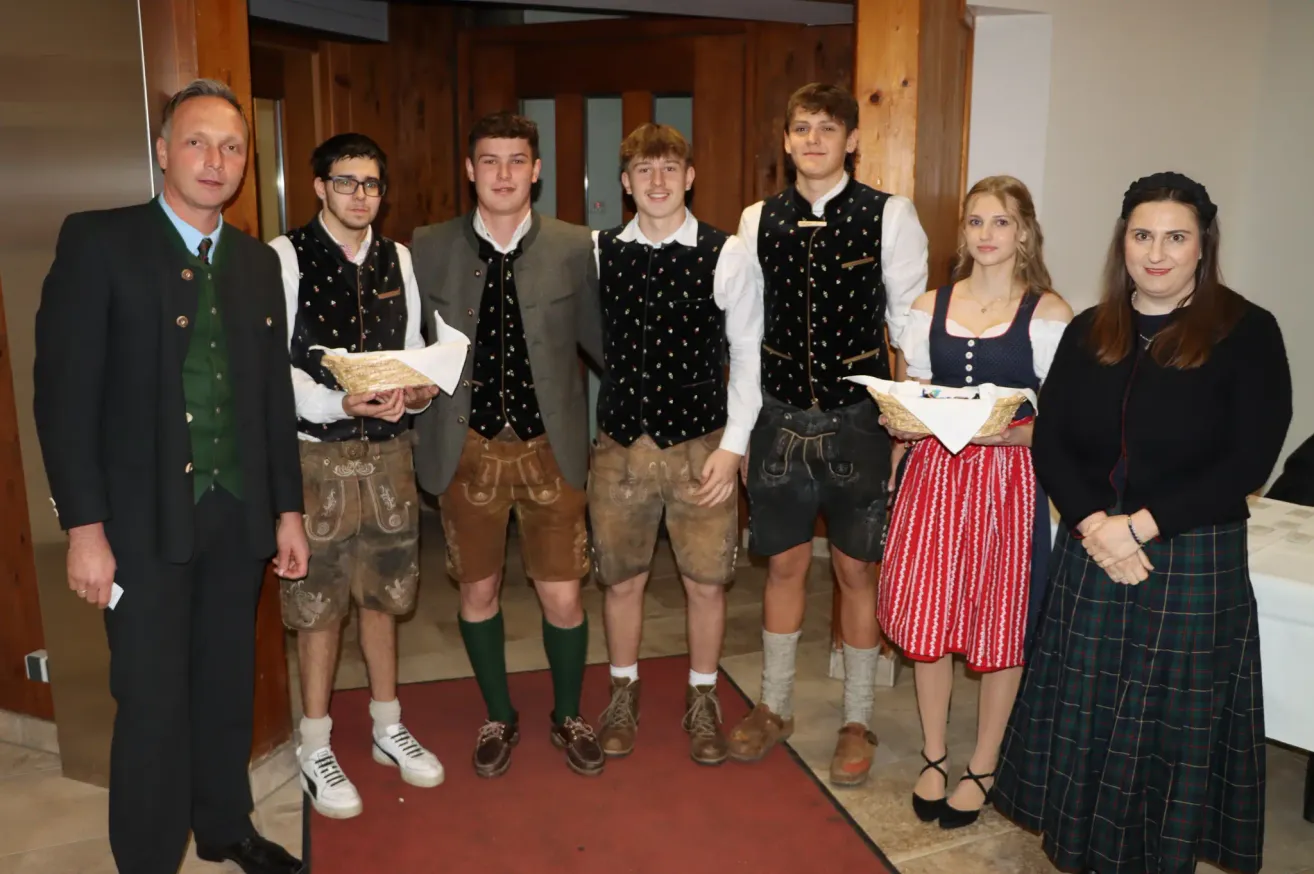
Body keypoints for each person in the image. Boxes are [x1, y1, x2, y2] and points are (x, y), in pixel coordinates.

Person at [33, 79, 307, 874]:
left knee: (225, 685)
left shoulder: (258, 263)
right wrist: (84, 529)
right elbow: (64, 397)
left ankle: (225, 827)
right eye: (196, 141)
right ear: (161, 151)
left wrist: (286, 512)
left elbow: (268, 403)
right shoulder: (99, 242)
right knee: (153, 706)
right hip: (139, 527)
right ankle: (148, 860)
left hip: (236, 517)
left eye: (231, 146)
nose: (215, 160)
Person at [994, 172, 1292, 874]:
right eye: (1142, 235)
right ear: (1122, 241)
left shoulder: (1247, 331)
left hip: (1190, 553)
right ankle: (1081, 846)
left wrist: (1142, 527)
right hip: (1094, 545)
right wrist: (1098, 524)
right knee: (1091, 712)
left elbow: (1250, 456)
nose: (1156, 252)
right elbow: (1054, 439)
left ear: (1201, 248)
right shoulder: (1089, 329)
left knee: (1168, 731)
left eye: (1175, 237)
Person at [729, 82, 929, 786]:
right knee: (783, 567)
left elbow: (908, 324)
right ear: (786, 141)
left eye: (827, 128)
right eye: (801, 127)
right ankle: (774, 705)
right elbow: (746, 333)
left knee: (855, 571)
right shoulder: (758, 219)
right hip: (780, 419)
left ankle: (856, 717)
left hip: (858, 422)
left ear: (850, 141)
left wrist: (913, 419)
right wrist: (744, 425)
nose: (813, 139)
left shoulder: (889, 214)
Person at [410, 111, 606, 778]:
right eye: (489, 160)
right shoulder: (428, 246)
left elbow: (605, 347)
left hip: (552, 449)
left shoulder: (577, 246)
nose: (503, 173)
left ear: (537, 170)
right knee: (478, 590)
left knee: (563, 597)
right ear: (469, 169)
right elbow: (410, 344)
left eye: (516, 160)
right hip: (465, 450)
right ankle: (499, 714)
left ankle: (569, 715)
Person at [877, 176, 1072, 828]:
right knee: (930, 620)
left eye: (1001, 222)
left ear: (1024, 233)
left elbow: (1070, 421)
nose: (987, 234)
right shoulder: (929, 306)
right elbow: (913, 397)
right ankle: (934, 754)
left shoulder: (1048, 315)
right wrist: (900, 424)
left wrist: (1018, 430)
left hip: (1008, 485)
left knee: (999, 624)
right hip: (935, 477)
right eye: (976, 222)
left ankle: (984, 762)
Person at [268, 133, 444, 819]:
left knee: (384, 598)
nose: (360, 196)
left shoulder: (399, 257)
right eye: (346, 183)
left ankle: (385, 724)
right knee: (318, 607)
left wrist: (418, 388)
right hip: (317, 457)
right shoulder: (285, 256)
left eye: (371, 184)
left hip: (390, 456)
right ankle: (315, 743)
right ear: (318, 186)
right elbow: (274, 365)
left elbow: (409, 352)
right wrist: (335, 401)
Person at [590, 123, 762, 765]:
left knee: (706, 583)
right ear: (627, 182)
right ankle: (622, 693)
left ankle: (702, 697)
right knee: (622, 580)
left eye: (669, 169)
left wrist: (734, 447)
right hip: (620, 450)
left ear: (689, 176)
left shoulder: (727, 253)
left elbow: (746, 356)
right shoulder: (601, 251)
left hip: (701, 446)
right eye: (643, 170)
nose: (656, 181)